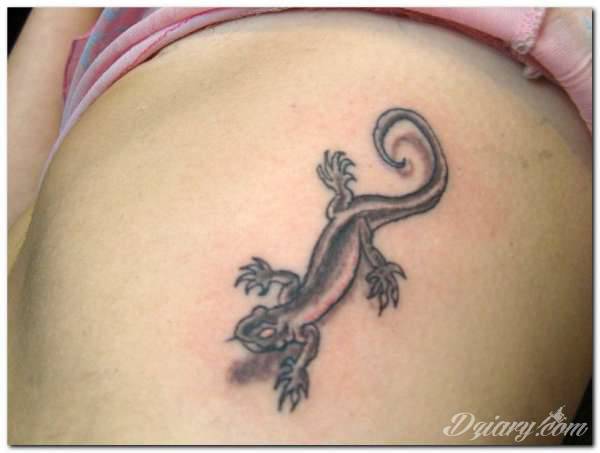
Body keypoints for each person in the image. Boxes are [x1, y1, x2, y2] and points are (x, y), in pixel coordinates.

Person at [8, 7, 592, 444]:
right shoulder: (298, 314)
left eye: (258, 329)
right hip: (113, 73)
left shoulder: (301, 317)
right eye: (261, 331)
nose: (256, 330)